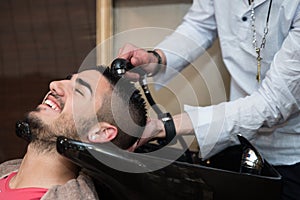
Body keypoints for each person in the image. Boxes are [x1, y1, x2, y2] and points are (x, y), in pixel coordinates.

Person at [118, 0, 300, 199]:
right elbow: (200, 25)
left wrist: (165, 126)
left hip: (291, 152)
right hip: (239, 141)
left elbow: (271, 103)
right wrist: (157, 59)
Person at [0, 66, 147, 200]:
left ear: (101, 133)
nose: (54, 85)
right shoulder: (5, 172)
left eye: (78, 91)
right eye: (68, 80)